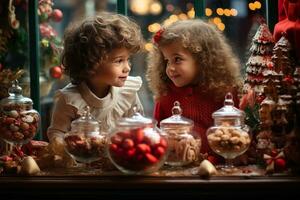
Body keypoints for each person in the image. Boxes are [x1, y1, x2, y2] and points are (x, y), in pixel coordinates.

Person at [47, 12, 144, 150]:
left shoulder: (128, 91)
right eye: (119, 61)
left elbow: (139, 128)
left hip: (120, 162)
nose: (127, 67)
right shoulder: (69, 99)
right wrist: (62, 147)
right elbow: (57, 132)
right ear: (91, 63)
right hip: (82, 165)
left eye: (128, 59)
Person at [146, 19, 242, 153]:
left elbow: (236, 138)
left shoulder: (226, 94)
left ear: (202, 60)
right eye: (167, 60)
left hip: (218, 170)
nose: (170, 68)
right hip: (177, 169)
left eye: (177, 59)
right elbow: (156, 139)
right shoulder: (166, 96)